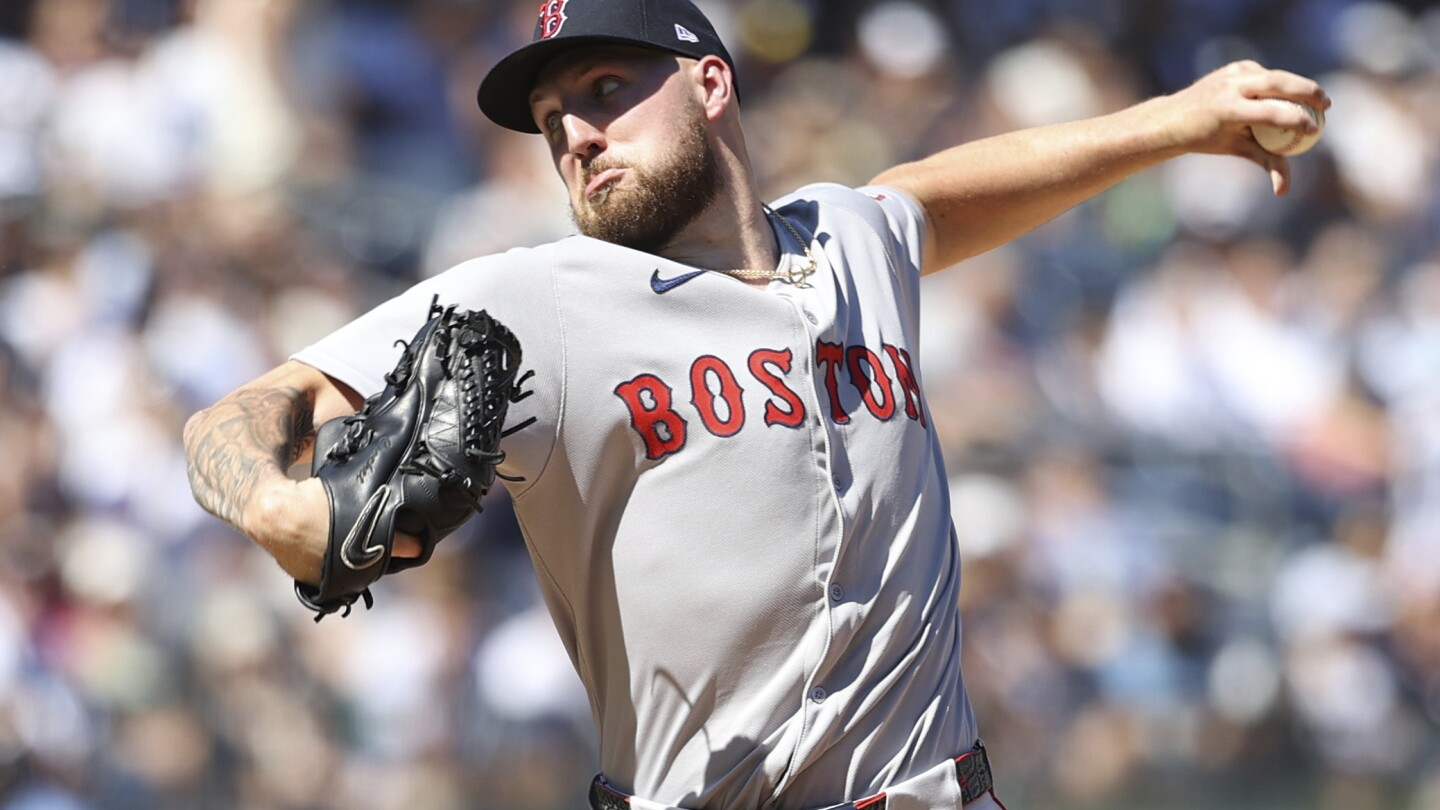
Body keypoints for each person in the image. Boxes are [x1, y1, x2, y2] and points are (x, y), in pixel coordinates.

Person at [182, 0, 1330, 807]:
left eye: (606, 89)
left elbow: (929, 199)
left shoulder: (850, 239)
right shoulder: (535, 298)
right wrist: (282, 510)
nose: (577, 134)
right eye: (553, 125)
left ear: (711, 81)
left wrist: (1174, 122)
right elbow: (241, 411)